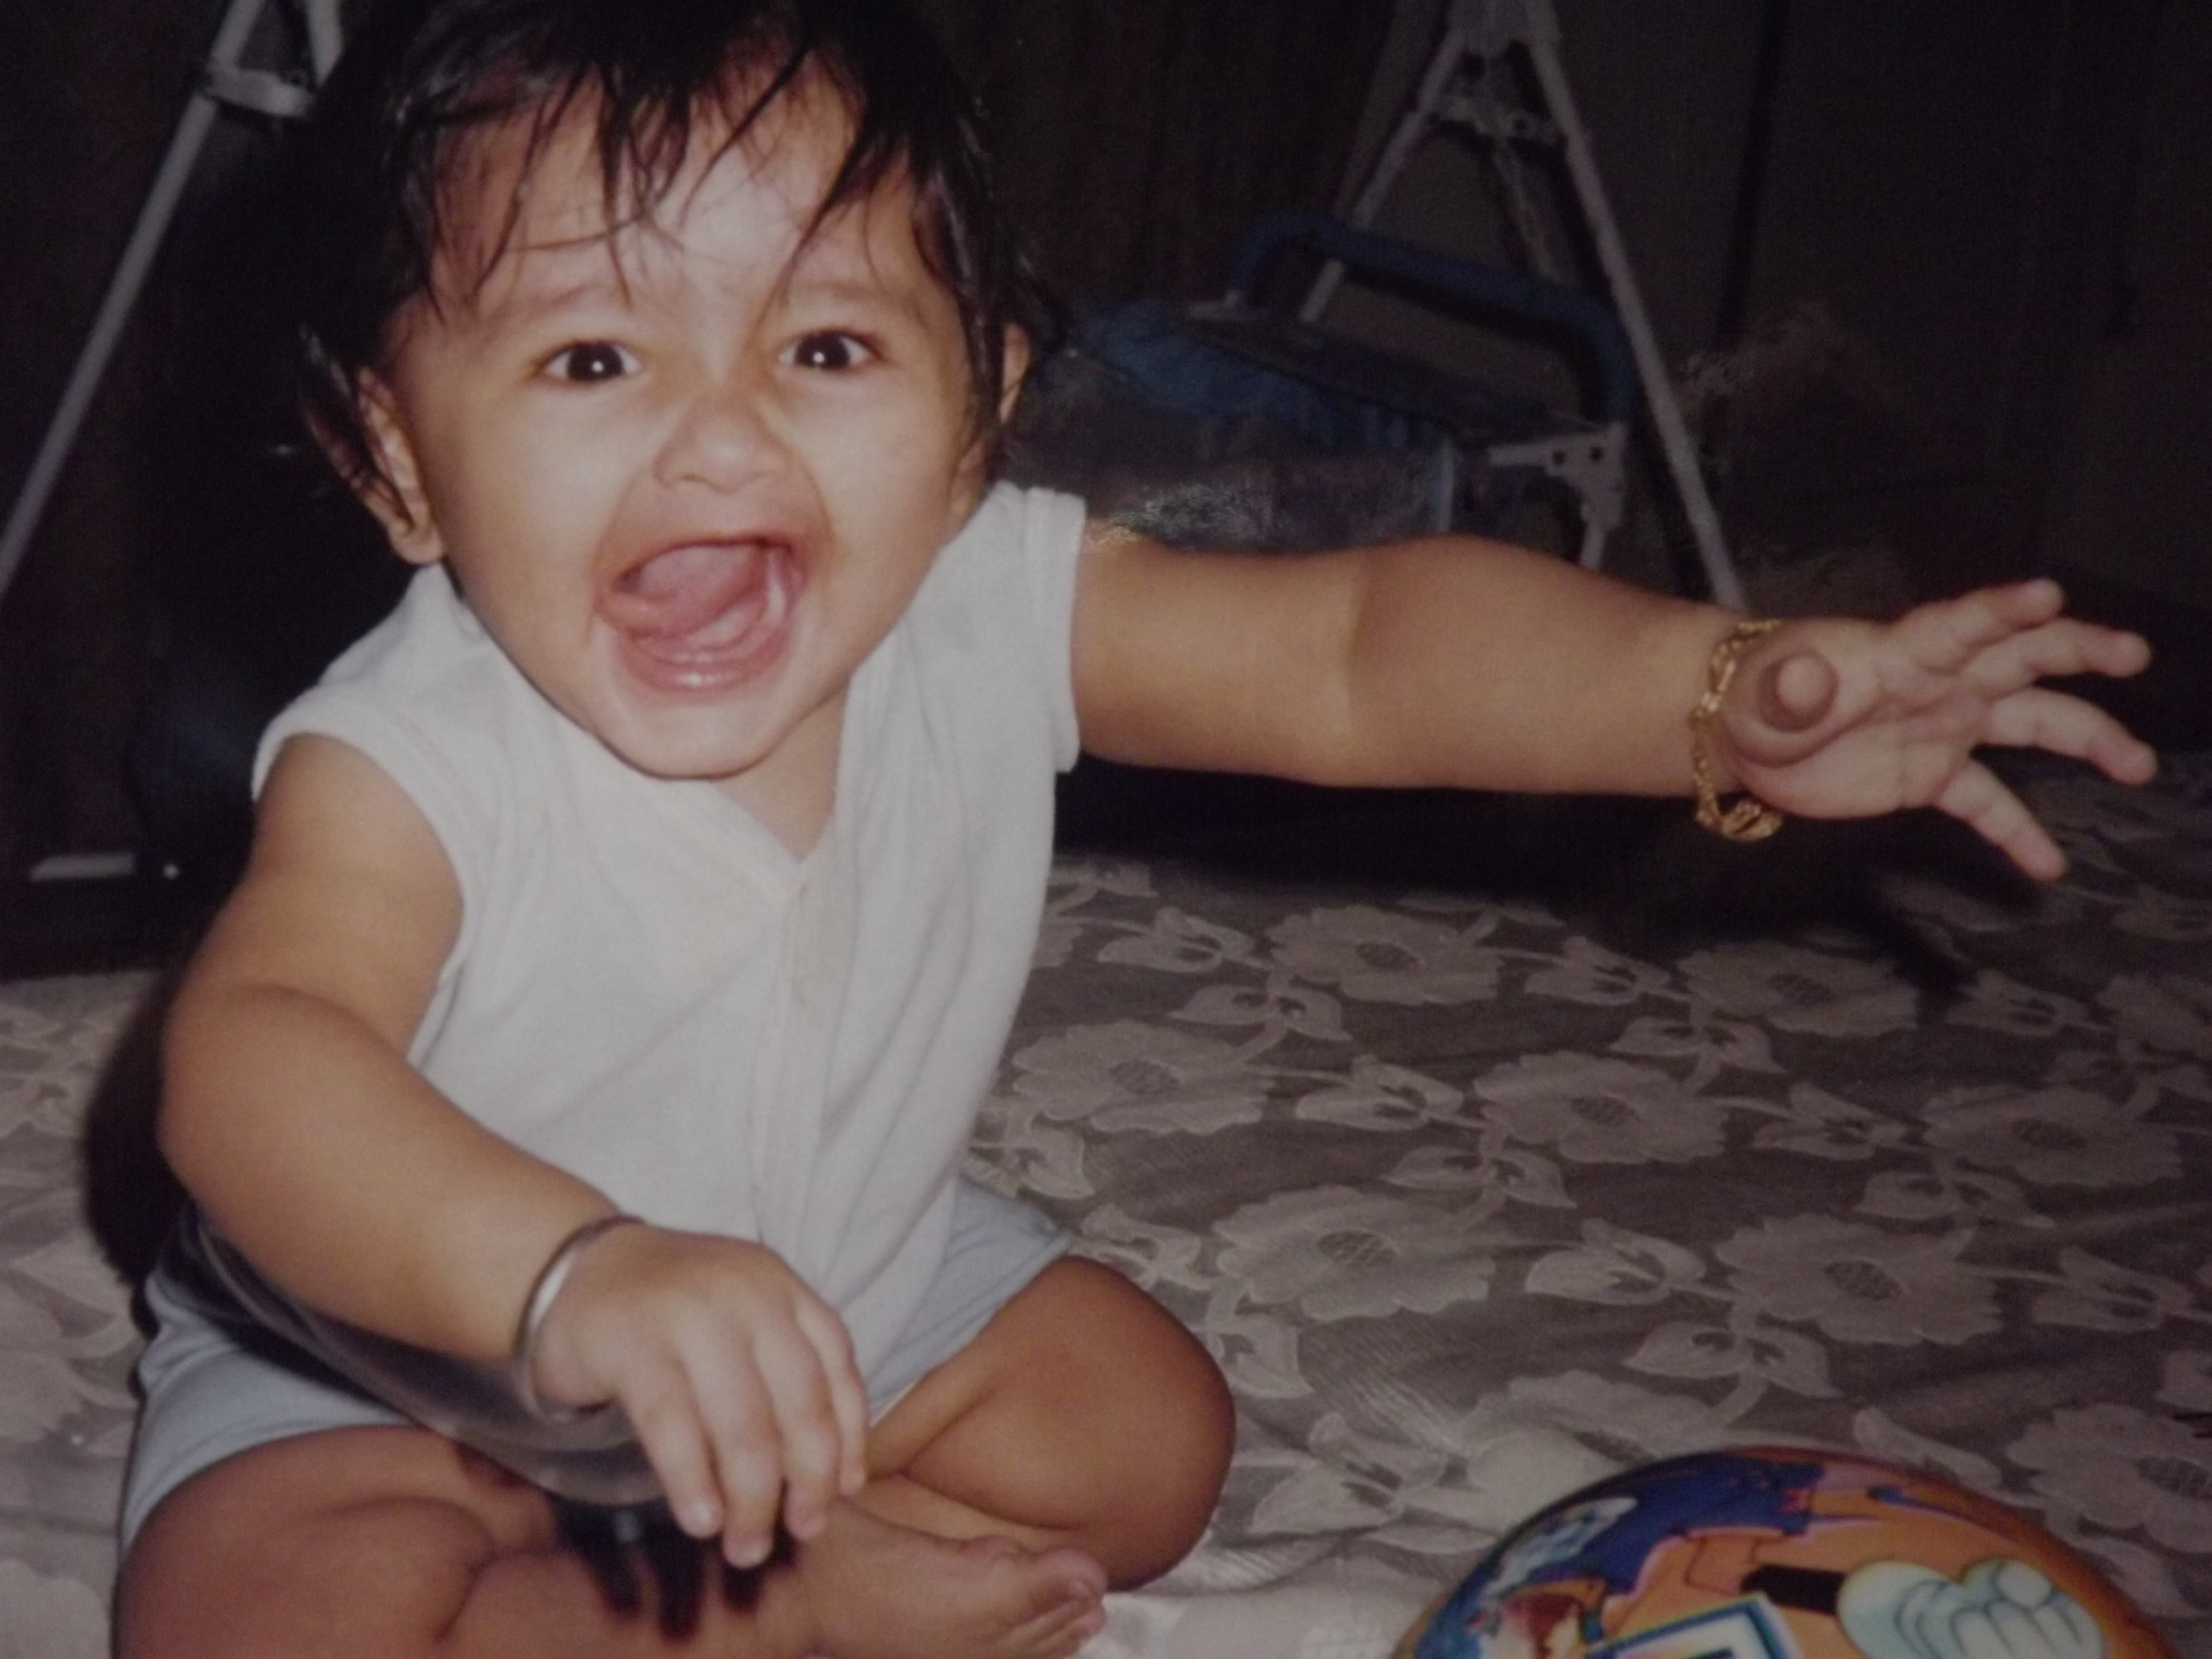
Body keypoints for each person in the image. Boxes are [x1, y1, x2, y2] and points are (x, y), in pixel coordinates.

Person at [112, 1, 2159, 1655]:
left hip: (830, 1290)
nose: (720, 435)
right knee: (255, 1625)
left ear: (977, 410)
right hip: (397, 1361)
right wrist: (570, 1281)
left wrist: (1709, 694)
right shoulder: (413, 756)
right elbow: (258, 1061)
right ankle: (754, 1602)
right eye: (590, 356)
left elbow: (1356, 652)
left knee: (1142, 1436)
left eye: (825, 346)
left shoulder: (991, 602)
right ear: (397, 460)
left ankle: (723, 1560)